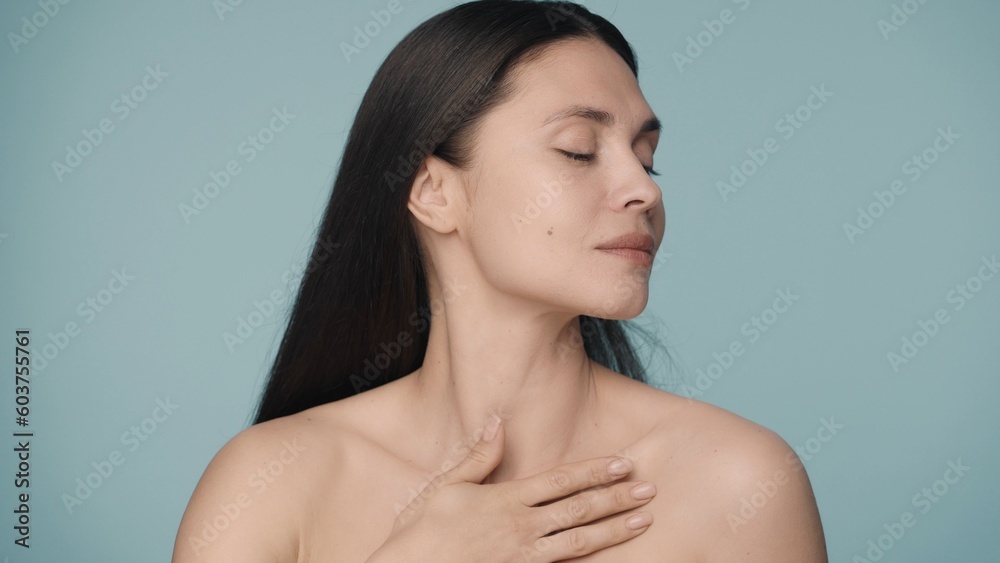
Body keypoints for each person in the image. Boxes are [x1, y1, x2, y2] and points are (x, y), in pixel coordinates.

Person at [172, 1, 828, 561]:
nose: (641, 191)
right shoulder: (267, 483)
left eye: (648, 159)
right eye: (578, 148)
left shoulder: (740, 481)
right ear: (433, 193)